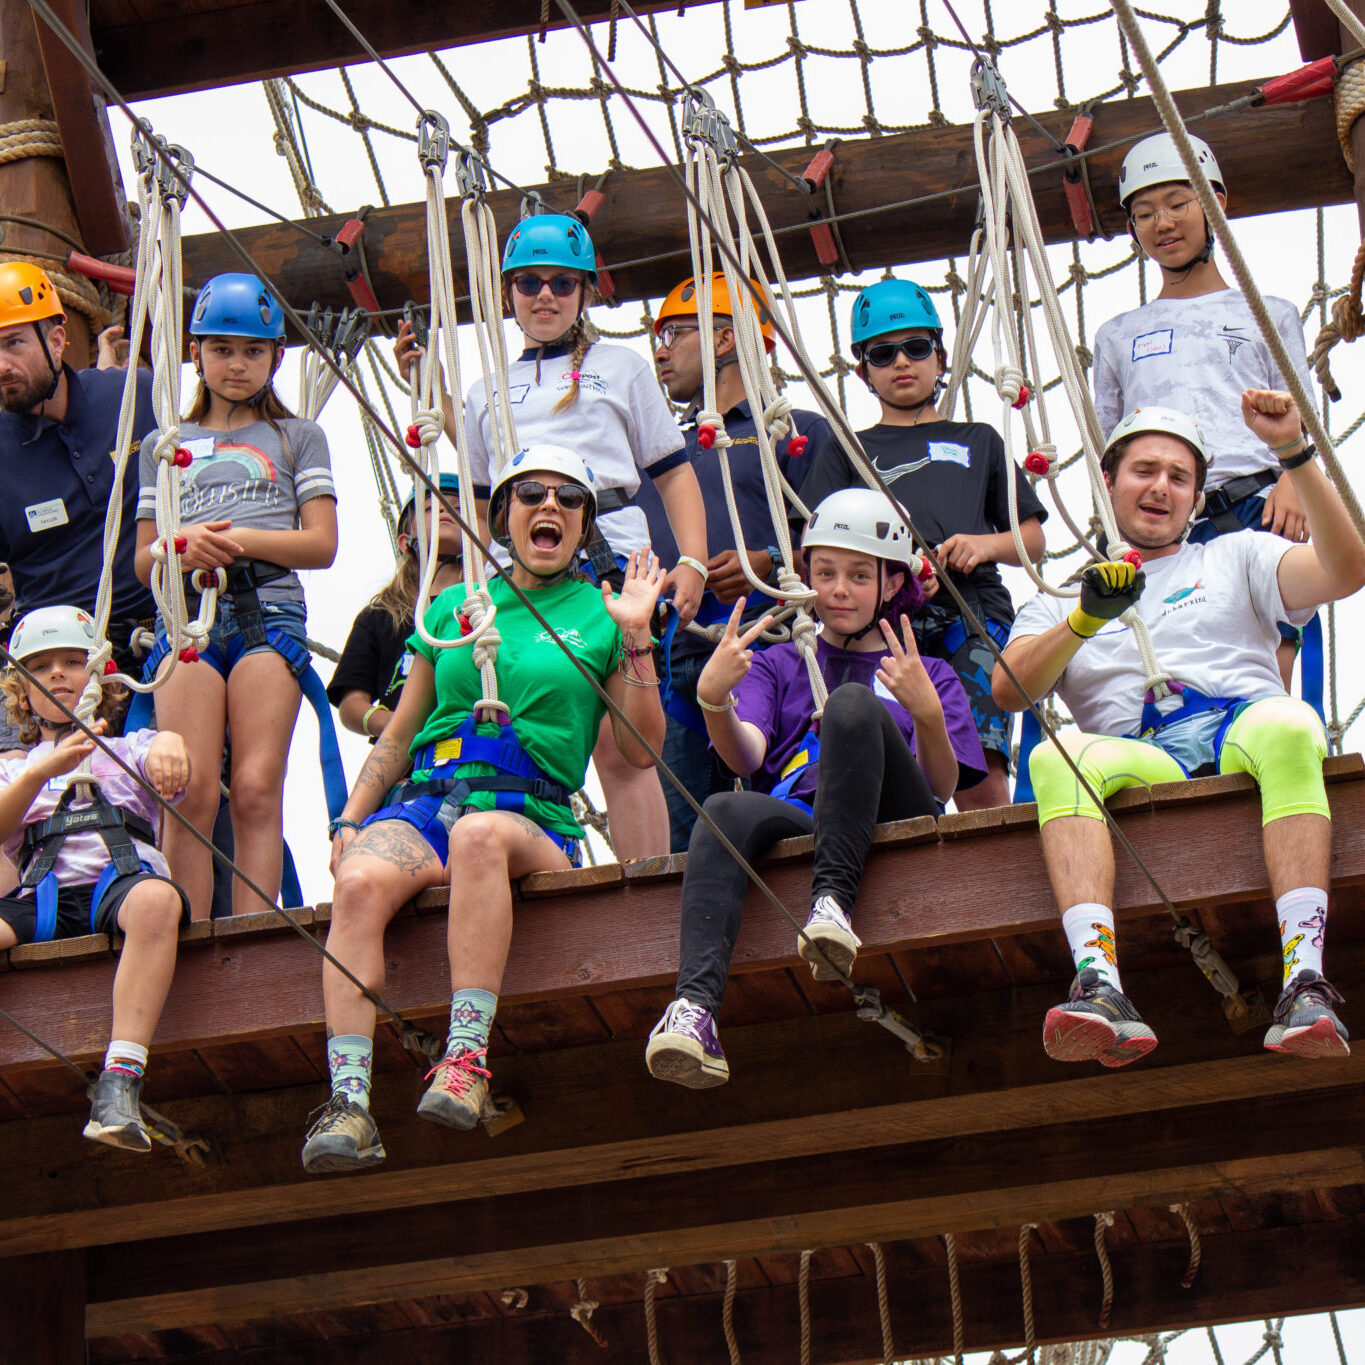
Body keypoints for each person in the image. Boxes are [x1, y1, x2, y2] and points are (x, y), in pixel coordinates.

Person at [302, 445, 665, 1172]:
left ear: (586, 524)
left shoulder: (599, 613)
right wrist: (350, 819)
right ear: (503, 516)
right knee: (359, 883)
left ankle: (465, 1059)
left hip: (529, 813)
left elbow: (637, 747)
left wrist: (635, 636)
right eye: (531, 493)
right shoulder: (453, 606)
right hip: (429, 798)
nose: (549, 506)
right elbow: (401, 731)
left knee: (477, 839)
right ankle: (349, 1103)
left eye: (569, 498)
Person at [992, 395, 1365, 1066]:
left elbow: (1346, 569)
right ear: (1107, 482)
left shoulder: (1237, 556)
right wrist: (1084, 618)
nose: (1160, 486)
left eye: (1178, 475)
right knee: (1057, 756)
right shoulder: (1059, 595)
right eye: (1142, 470)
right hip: (1140, 757)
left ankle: (1303, 981)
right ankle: (1099, 984)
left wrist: (1294, 453)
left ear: (1196, 496)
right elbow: (1008, 687)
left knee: (1289, 721)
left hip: (1237, 732)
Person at [646, 489, 986, 1088]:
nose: (838, 589)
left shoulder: (928, 672)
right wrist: (714, 699)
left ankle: (831, 903)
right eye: (824, 573)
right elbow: (746, 753)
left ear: (890, 584)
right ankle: (695, 1008)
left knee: (852, 704)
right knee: (722, 806)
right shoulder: (780, 663)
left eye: (859, 575)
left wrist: (927, 715)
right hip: (805, 811)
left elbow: (942, 787)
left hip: (896, 819)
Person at [394, 213, 708, 861]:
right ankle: (523, 850)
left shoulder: (620, 369)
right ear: (507, 294)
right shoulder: (488, 391)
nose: (545, 295)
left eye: (562, 283)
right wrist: (435, 393)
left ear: (585, 293)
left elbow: (672, 473)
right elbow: (487, 493)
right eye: (529, 282)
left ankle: (644, 891)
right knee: (536, 720)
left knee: (623, 748)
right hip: (526, 573)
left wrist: (694, 562)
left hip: (616, 563)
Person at [133, 272, 338, 921]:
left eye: (252, 351)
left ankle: (254, 938)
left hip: (266, 612)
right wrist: (181, 546)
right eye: (222, 349)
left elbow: (321, 544)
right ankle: (186, 939)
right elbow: (144, 558)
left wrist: (239, 540)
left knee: (253, 787)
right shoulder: (163, 446)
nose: (237, 364)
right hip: (189, 619)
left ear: (276, 356)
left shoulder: (296, 436)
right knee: (187, 789)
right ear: (196, 352)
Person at [798, 278, 1047, 810]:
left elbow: (1032, 538)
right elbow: (810, 540)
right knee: (886, 758)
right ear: (863, 370)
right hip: (880, 621)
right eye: (883, 353)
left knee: (979, 763)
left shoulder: (978, 440)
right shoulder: (850, 450)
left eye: (916, 347)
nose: (902, 362)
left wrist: (980, 546)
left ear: (939, 354)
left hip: (968, 610)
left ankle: (993, 877)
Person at [1095, 132, 1317, 682]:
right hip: (1165, 514)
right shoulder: (1119, 334)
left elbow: (1304, 412)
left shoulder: (1270, 313)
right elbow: (1110, 442)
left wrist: (1296, 482)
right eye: (1144, 213)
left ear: (1214, 203)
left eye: (1177, 204)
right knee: (1173, 661)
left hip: (1258, 503)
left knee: (1275, 643)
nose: (1163, 223)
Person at [634, 272, 830, 850]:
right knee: (683, 847)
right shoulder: (663, 454)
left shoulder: (796, 434)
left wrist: (769, 561)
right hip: (675, 663)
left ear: (723, 341)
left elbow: (845, 560)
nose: (660, 352)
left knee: (784, 832)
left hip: (772, 657)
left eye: (673, 334)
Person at [0, 605, 191, 1150]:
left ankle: (120, 1081)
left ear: (100, 674)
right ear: (23, 691)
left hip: (121, 884)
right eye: (41, 666)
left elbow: (172, 761)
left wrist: (172, 742)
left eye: (70, 661)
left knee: (157, 903)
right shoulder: (15, 768)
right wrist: (43, 770)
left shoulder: (131, 749)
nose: (57, 673)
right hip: (42, 892)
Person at [0, 262, 157, 677]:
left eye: (12, 343)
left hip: (158, 644)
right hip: (53, 666)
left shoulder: (134, 399)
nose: (1, 365)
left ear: (56, 341)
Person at [327, 475, 462, 744]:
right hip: (404, 759)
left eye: (458, 509)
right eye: (429, 508)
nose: (444, 509)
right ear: (404, 541)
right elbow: (352, 704)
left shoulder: (488, 608)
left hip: (475, 749)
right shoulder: (381, 616)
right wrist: (398, 725)